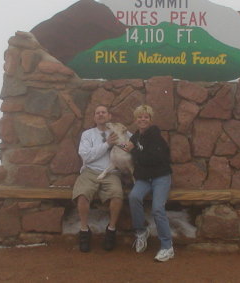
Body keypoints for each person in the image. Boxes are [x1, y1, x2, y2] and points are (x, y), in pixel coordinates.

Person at [72, 104, 124, 252]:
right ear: (94, 118)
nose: (101, 115)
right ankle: (84, 231)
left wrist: (126, 145)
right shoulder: (87, 134)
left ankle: (111, 229)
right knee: (82, 195)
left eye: (104, 112)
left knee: (117, 196)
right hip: (89, 171)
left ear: (109, 116)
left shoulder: (117, 131)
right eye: (98, 113)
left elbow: (130, 144)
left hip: (111, 173)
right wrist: (107, 144)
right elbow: (86, 156)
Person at [127, 104, 174, 262]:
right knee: (133, 197)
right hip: (144, 179)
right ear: (135, 120)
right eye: (140, 117)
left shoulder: (155, 136)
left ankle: (167, 247)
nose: (142, 119)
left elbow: (153, 158)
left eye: (145, 117)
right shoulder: (135, 137)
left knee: (157, 209)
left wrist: (134, 150)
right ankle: (141, 231)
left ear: (150, 120)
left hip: (161, 177)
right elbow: (128, 148)